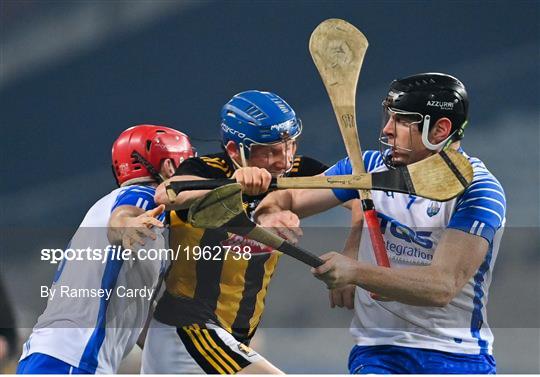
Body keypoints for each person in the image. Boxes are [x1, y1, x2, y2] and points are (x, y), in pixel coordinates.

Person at [254, 73, 506, 374]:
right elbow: (288, 198)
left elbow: (442, 286)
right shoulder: (367, 168)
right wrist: (270, 213)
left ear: (439, 130)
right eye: (389, 117)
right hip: (379, 353)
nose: (387, 130)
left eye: (401, 122)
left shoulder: (479, 191)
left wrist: (356, 271)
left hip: (457, 356)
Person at [144, 90, 334, 374]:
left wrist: (353, 255)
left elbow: (355, 193)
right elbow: (167, 193)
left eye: (290, 145)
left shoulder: (296, 171)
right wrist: (233, 184)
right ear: (234, 150)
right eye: (270, 151)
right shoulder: (206, 170)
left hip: (232, 337)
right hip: (189, 329)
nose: (284, 160)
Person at [16, 125, 195, 374]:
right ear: (168, 167)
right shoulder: (142, 197)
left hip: (62, 356)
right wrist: (128, 225)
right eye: (187, 166)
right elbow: (121, 220)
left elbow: (137, 316)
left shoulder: (120, 208)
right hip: (74, 358)